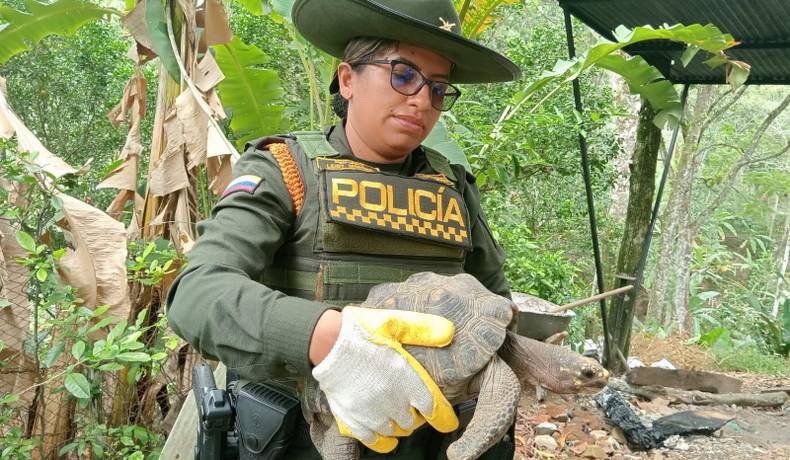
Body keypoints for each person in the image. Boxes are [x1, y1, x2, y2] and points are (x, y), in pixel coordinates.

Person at [166, 0, 521, 458]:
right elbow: (197, 293)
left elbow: (498, 306)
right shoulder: (286, 170)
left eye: (437, 88)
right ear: (348, 79)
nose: (421, 100)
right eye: (403, 75)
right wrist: (330, 340)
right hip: (306, 440)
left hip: (432, 441)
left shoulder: (453, 187)